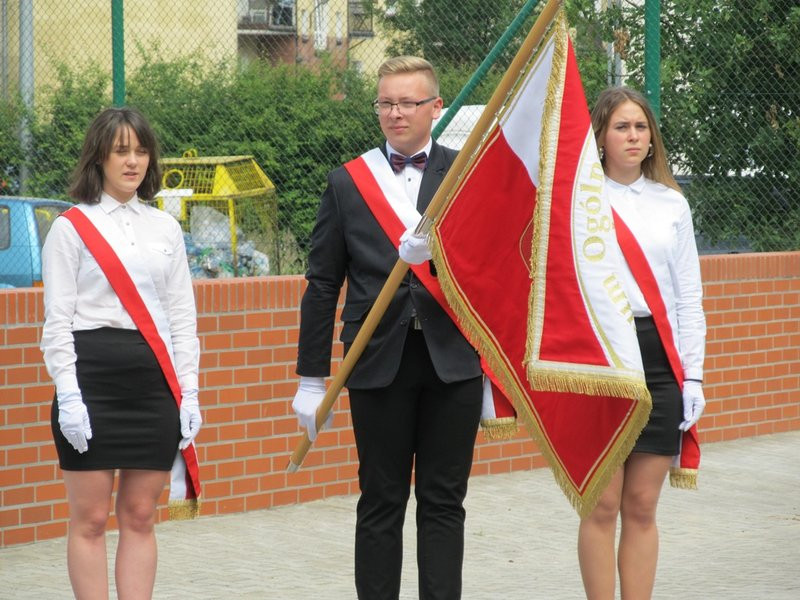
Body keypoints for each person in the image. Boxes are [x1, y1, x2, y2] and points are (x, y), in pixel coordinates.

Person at [293, 56, 483, 600]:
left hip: (453, 359)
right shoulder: (347, 183)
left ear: (435, 107)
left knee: (445, 503)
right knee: (380, 500)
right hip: (377, 361)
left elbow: (489, 269)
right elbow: (323, 283)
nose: (395, 113)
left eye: (407, 102)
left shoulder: (464, 173)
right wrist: (311, 377)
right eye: (386, 103)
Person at [40, 107, 201, 599]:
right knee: (89, 519)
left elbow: (181, 319)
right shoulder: (71, 228)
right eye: (120, 151)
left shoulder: (165, 228)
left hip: (154, 386)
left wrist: (189, 393)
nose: (132, 161)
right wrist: (68, 396)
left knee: (139, 515)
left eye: (141, 150)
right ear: (99, 158)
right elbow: (57, 323)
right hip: (91, 384)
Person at [577, 87, 707, 599]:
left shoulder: (671, 203)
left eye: (641, 127)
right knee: (602, 505)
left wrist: (692, 375)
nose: (633, 137)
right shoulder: (577, 200)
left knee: (641, 506)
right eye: (621, 127)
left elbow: (687, 297)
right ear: (600, 137)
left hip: (657, 358)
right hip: (601, 355)